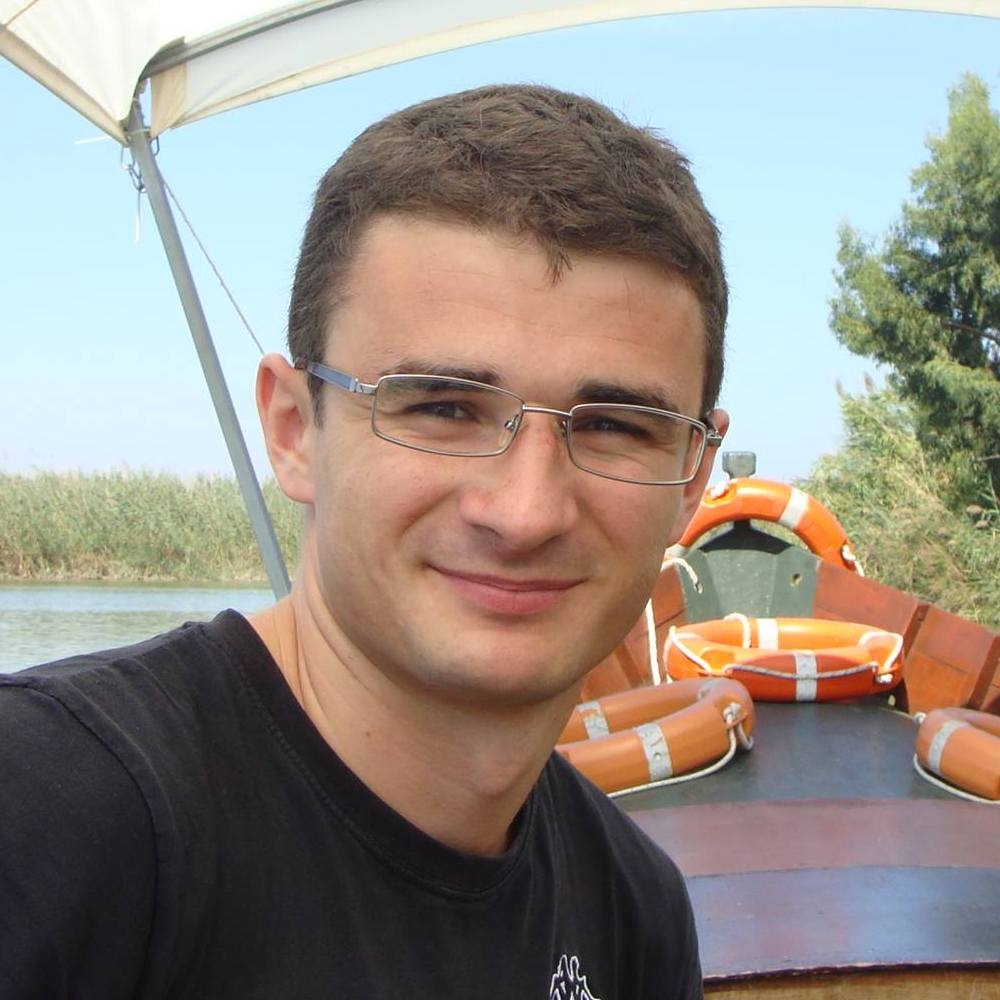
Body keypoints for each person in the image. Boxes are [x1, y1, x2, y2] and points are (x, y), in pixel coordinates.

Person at [0, 83, 728, 998]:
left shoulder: (635, 914)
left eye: (616, 425)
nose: (526, 512)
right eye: (444, 408)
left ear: (692, 477)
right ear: (294, 430)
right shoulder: (47, 818)